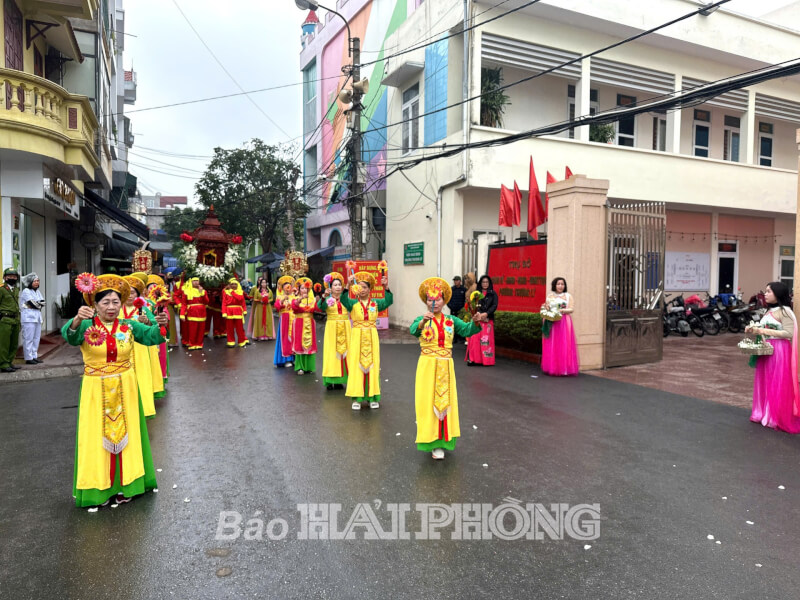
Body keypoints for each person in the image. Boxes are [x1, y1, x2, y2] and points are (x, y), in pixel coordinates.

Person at [61, 274, 167, 507]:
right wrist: (76, 319)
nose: (111, 307)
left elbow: (151, 337)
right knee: (94, 438)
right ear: (95, 304)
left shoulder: (128, 326)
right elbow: (70, 336)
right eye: (105, 302)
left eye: (115, 302)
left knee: (130, 436)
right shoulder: (87, 325)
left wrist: (160, 324)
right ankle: (98, 488)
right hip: (95, 391)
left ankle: (129, 484)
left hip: (126, 388)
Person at [411, 277, 483, 460]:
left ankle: (442, 442)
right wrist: (422, 323)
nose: (434, 303)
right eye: (430, 299)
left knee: (445, 402)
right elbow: (413, 330)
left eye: (438, 299)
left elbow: (467, 330)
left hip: (445, 367)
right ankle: (430, 441)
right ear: (426, 301)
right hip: (427, 366)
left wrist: (475, 322)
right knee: (427, 403)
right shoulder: (421, 319)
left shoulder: (451, 320)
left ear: (444, 301)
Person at [747, 281, 800, 434]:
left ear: (778, 293)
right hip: (766, 348)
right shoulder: (769, 311)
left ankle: (775, 415)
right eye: (766, 291)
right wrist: (754, 329)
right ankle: (764, 412)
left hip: (779, 350)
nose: (765, 294)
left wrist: (763, 331)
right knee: (765, 380)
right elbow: (764, 329)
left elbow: (789, 333)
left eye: (769, 291)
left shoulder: (785, 312)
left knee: (777, 381)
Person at [341, 271, 393, 410]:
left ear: (370, 289)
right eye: (360, 286)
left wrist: (386, 287)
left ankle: (372, 397)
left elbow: (388, 301)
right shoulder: (352, 303)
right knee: (356, 365)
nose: (362, 290)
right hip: (357, 336)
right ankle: (356, 398)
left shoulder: (376, 303)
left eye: (365, 287)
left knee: (373, 366)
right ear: (356, 288)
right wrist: (348, 284)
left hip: (371, 336)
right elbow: (343, 300)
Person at [122, 275, 160, 419]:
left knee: (142, 377)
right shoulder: (116, 309)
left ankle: (144, 407)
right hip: (122, 350)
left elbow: (155, 326)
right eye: (127, 292)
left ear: (138, 295)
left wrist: (148, 322)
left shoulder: (143, 309)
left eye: (133, 293)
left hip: (140, 349)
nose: (130, 296)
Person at [317, 272, 350, 390]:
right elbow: (320, 307)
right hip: (332, 328)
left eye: (339, 285)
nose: (338, 287)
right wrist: (323, 297)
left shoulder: (345, 299)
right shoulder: (327, 299)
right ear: (331, 287)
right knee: (331, 353)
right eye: (335, 285)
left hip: (345, 327)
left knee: (345, 353)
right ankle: (330, 380)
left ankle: (341, 380)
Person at [541, 277, 580, 376]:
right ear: (554, 285)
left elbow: (571, 309)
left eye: (562, 284)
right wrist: (547, 308)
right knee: (553, 343)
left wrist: (562, 311)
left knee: (565, 344)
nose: (560, 286)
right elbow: (547, 306)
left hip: (564, 321)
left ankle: (565, 369)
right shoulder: (550, 296)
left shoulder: (568, 296)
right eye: (558, 284)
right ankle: (552, 367)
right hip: (552, 322)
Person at [465, 275, 498, 366]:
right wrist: (478, 314)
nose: (485, 284)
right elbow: (473, 305)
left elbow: (494, 306)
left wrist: (486, 314)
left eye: (487, 282)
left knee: (485, 341)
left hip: (488, 320)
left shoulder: (493, 294)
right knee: (475, 339)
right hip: (477, 319)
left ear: (489, 283)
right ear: (480, 283)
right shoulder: (476, 294)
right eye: (483, 282)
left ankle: (487, 361)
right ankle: (474, 359)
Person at [291, 277, 317, 375]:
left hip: (310, 322)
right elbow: (294, 308)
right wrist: (300, 299)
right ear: (299, 289)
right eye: (302, 288)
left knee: (310, 344)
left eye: (306, 288)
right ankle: (300, 367)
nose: (304, 290)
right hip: (299, 323)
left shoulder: (312, 300)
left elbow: (317, 309)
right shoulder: (295, 299)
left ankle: (309, 367)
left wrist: (320, 300)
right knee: (299, 344)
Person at [20, 273, 44, 364]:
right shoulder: (26, 291)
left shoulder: (37, 292)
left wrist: (33, 305)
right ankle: (28, 358)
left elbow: (43, 303)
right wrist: (34, 304)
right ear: (30, 282)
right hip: (28, 319)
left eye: (38, 281)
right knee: (28, 338)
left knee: (36, 338)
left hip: (37, 318)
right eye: (35, 281)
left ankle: (34, 356)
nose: (37, 283)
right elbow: (34, 304)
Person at [0, 268, 21, 373]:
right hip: (5, 320)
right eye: (10, 276)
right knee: (4, 344)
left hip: (15, 319)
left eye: (14, 276)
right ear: (5, 278)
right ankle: (3, 364)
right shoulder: (1, 289)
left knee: (14, 343)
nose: (12, 278)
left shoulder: (16, 289)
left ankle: (9, 362)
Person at [273, 276, 295, 368]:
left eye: (289, 287)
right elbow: (277, 307)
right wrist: (282, 300)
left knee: (294, 338)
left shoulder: (295, 297)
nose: (288, 289)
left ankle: (294, 358)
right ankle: (286, 359)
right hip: (285, 320)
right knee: (285, 339)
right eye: (286, 287)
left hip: (294, 319)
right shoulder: (280, 297)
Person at [183, 277, 209, 351]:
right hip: (192, 312)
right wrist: (182, 314)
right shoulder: (186, 291)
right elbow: (184, 303)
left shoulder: (203, 291)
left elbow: (206, 301)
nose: (196, 282)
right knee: (192, 330)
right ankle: (192, 344)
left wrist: (201, 293)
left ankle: (199, 344)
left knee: (201, 330)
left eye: (197, 281)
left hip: (202, 313)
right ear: (191, 282)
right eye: (194, 281)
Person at [222, 277, 248, 348]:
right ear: (230, 285)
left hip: (238, 311)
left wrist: (244, 310)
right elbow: (224, 303)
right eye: (232, 284)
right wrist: (224, 312)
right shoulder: (226, 292)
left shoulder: (240, 292)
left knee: (239, 328)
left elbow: (242, 301)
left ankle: (241, 341)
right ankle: (231, 342)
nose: (233, 285)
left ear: (237, 285)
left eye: (235, 284)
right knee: (229, 328)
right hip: (229, 311)